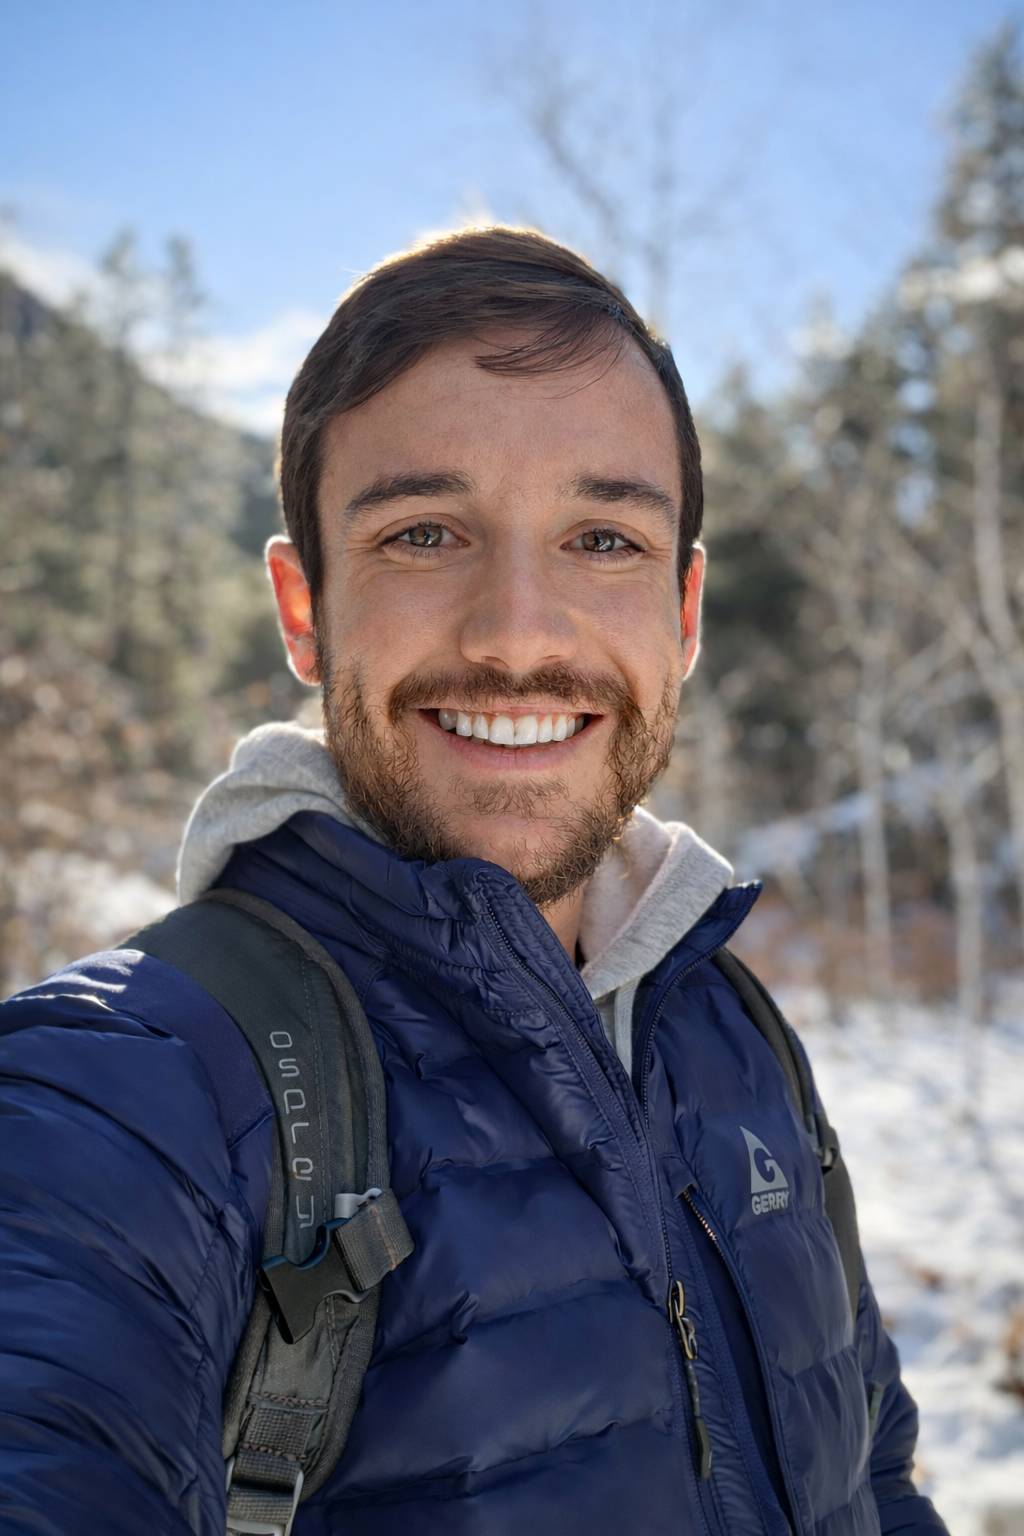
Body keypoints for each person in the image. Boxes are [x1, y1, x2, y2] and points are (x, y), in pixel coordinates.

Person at [0, 227, 946, 1536]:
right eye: (426, 532)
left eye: (603, 539)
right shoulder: (122, 1095)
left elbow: (878, 1489)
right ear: (304, 609)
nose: (515, 634)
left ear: (683, 615)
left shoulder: (735, 1032)